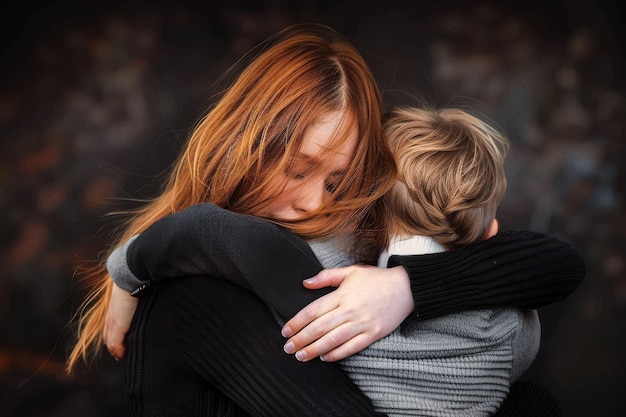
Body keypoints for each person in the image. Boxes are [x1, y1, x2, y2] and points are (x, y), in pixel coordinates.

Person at [67, 24, 584, 416]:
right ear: (244, 146)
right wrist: (134, 264)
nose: (317, 204)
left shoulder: (357, 232)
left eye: (337, 181)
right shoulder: (186, 295)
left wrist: (406, 287)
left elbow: (553, 263)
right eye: (297, 170)